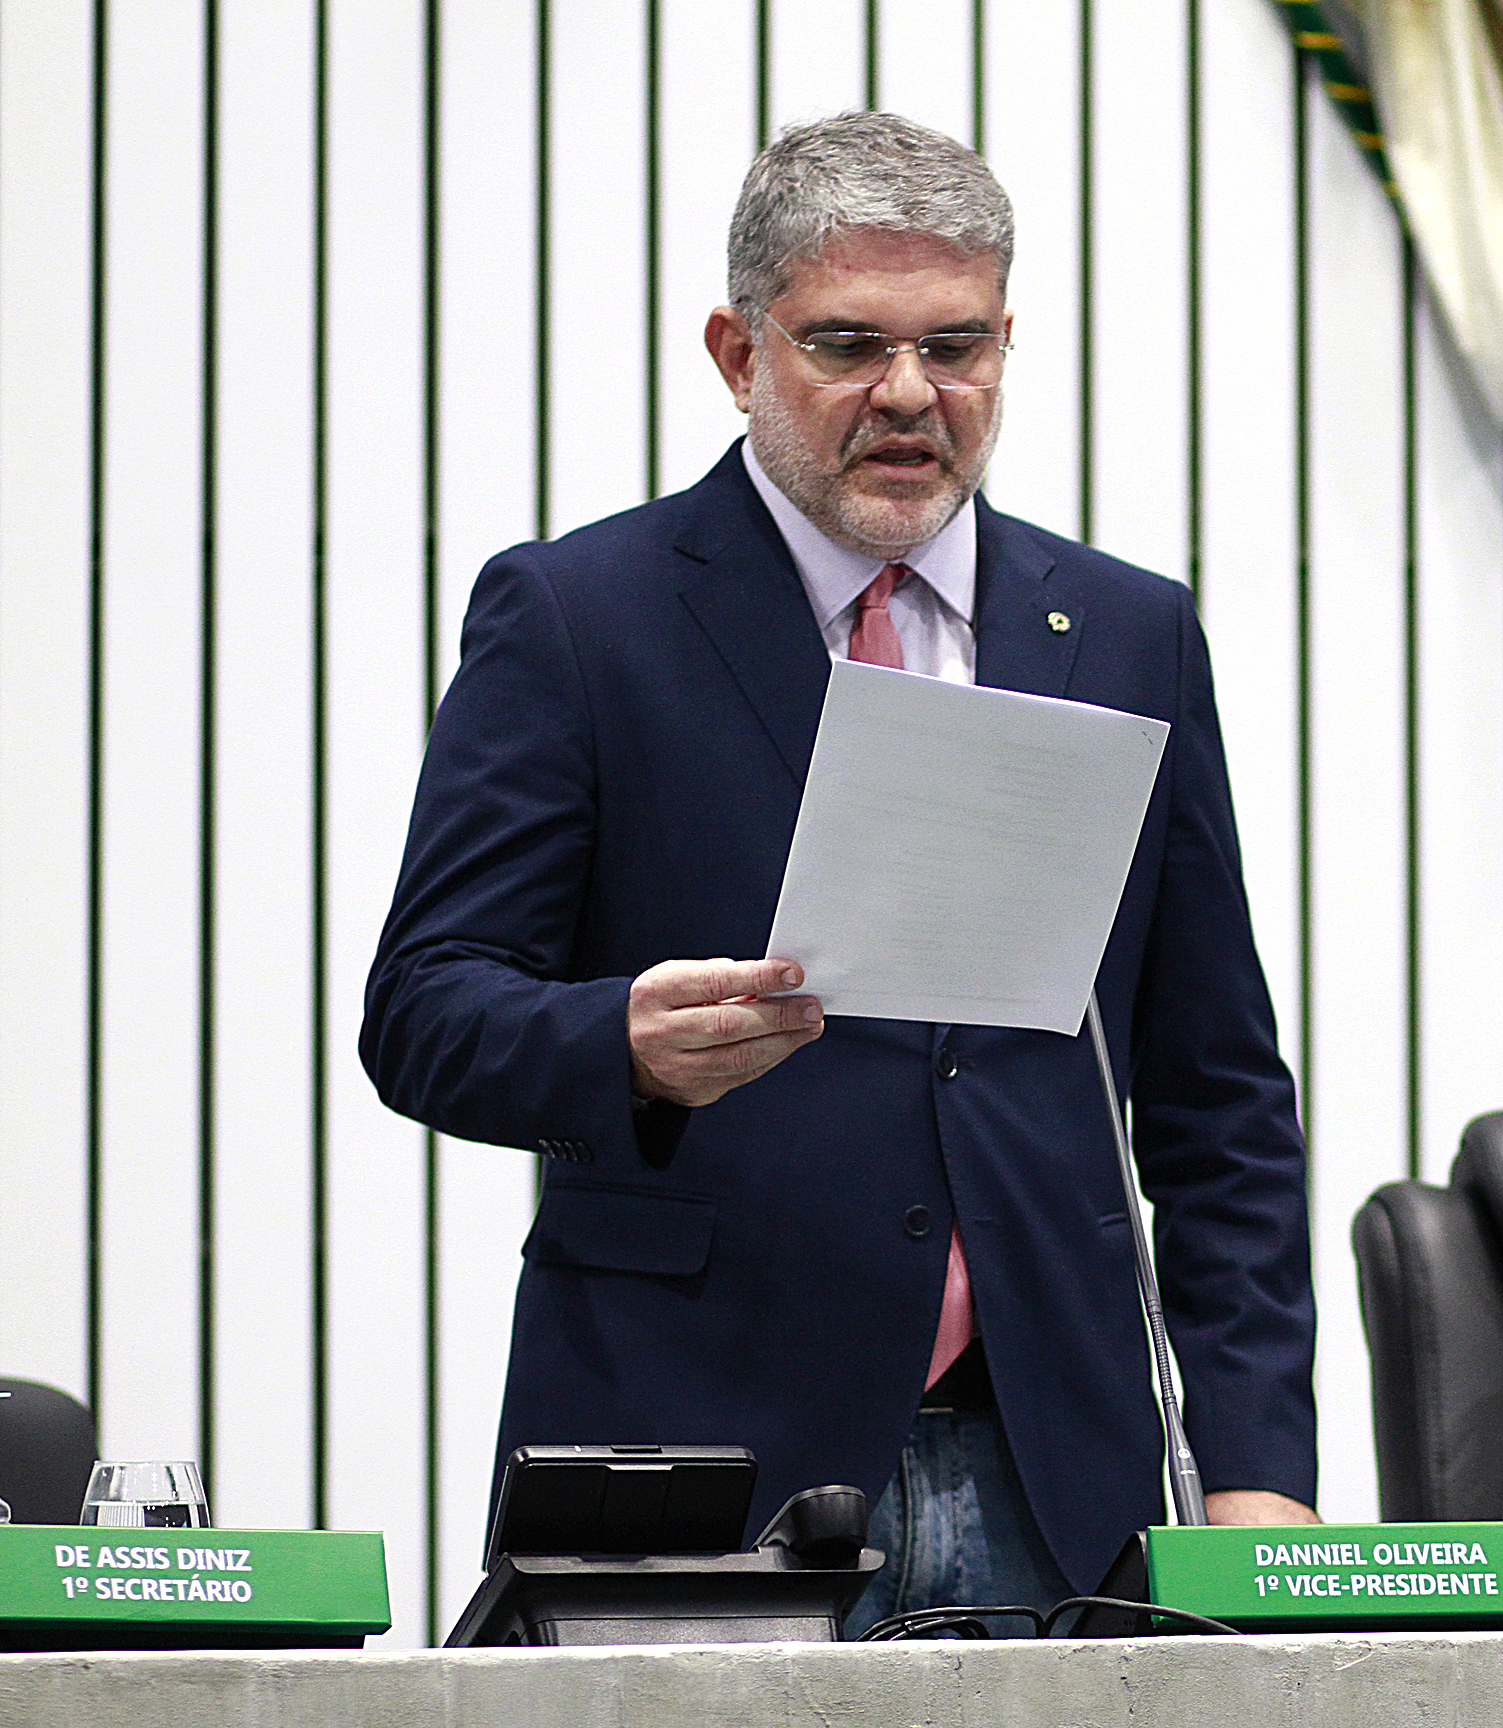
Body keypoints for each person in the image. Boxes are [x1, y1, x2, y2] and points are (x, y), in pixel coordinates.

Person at [360, 112, 1319, 1626]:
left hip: (1056, 1471)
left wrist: (1262, 1468)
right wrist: (623, 1045)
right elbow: (424, 1012)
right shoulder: (580, 618)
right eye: (848, 345)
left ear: (1007, 341)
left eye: (954, 348)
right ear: (738, 354)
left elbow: (1219, 1096)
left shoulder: (1126, 634)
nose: (909, 396)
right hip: (699, 1449)